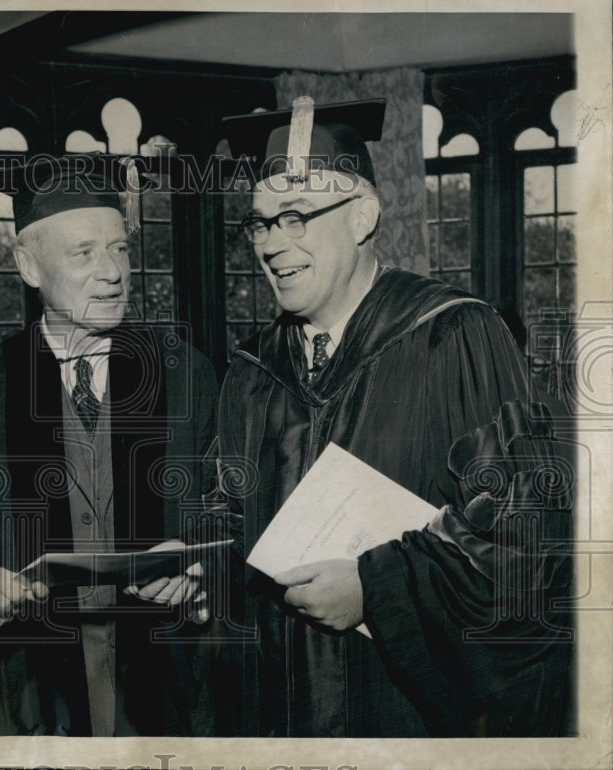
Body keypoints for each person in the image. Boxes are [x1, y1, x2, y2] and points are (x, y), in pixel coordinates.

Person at [213, 97, 573, 737]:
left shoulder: (455, 335)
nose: (274, 244)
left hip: (400, 715)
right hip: (281, 714)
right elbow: (233, 513)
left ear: (361, 217)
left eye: (296, 217)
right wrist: (194, 566)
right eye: (260, 223)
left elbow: (529, 536)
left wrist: (375, 589)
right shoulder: (252, 369)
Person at [0, 155, 219, 736]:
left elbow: (226, 504)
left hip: (166, 685)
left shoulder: (185, 373)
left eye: (120, 249)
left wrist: (197, 563)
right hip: (27, 694)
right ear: (28, 265)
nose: (112, 272)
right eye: (83, 253)